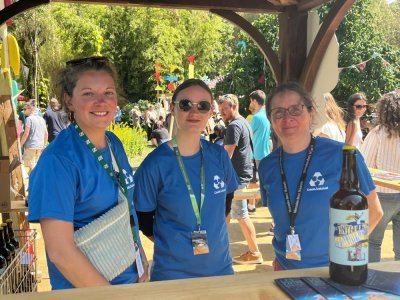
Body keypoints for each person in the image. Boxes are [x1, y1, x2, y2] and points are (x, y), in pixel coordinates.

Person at [28, 56, 148, 289]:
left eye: (109, 93)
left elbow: (126, 209)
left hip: (129, 282)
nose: (101, 102)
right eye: (88, 94)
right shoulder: (58, 161)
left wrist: (139, 255)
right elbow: (60, 252)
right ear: (69, 101)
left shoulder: (114, 144)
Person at [258, 82, 383, 270]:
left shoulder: (343, 155)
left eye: (295, 109)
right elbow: (282, 218)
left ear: (311, 112)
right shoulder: (267, 166)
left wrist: (344, 257)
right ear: (271, 118)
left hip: (332, 272)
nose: (287, 118)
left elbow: (374, 212)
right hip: (284, 270)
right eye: (279, 112)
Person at [134, 79, 239, 281]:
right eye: (185, 104)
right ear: (172, 109)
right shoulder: (155, 164)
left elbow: (226, 202)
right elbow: (143, 219)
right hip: (173, 276)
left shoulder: (219, 156)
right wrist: (174, 246)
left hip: (221, 271)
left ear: (210, 112)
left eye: (203, 106)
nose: (194, 112)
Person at [218, 94, 263, 265]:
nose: (222, 112)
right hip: (241, 175)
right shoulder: (244, 122)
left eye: (225, 108)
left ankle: (253, 252)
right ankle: (220, 248)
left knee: (240, 214)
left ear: (234, 106)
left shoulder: (234, 126)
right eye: (220, 109)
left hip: (235, 178)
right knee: (229, 214)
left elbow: (226, 155)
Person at [361, 89, 400, 262]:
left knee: (372, 242)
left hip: (381, 196)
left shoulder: (377, 134)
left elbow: (364, 166)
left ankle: (373, 282)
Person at [248, 90, 271, 214]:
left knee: (255, 182)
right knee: (256, 182)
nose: (250, 103)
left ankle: (273, 216)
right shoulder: (267, 115)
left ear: (255, 101)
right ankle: (251, 206)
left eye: (251, 100)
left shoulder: (256, 117)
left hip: (256, 155)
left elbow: (247, 136)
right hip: (264, 153)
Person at [20, 102, 48, 174]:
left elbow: (26, 134)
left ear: (30, 109)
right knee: (36, 166)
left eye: (25, 109)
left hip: (31, 147)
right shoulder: (42, 119)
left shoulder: (29, 119)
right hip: (40, 146)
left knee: (30, 167)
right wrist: (44, 145)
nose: (23, 111)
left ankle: (33, 183)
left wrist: (20, 145)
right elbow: (46, 134)